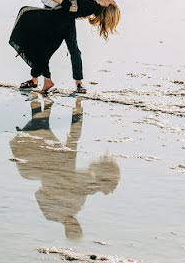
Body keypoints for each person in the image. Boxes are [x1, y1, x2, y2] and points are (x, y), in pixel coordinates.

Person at [9, 96, 121, 239]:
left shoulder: (60, 212)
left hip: (54, 168)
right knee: (53, 136)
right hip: (52, 169)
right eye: (78, 226)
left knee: (55, 136)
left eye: (75, 227)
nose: (76, 224)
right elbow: (41, 194)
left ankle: (59, 106)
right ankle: (55, 105)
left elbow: (44, 193)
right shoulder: (58, 213)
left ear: (71, 229)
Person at [10, 0, 120, 94]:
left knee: (42, 47)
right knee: (45, 49)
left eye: (113, 1)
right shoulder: (93, 3)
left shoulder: (91, 5)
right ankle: (46, 80)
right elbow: (75, 10)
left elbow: (70, 6)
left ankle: (46, 80)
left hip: (58, 22)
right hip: (63, 22)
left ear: (108, 5)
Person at [34, 0, 90, 92]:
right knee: (42, 48)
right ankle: (37, 79)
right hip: (49, 13)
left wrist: (91, 14)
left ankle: (79, 83)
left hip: (67, 16)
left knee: (74, 49)